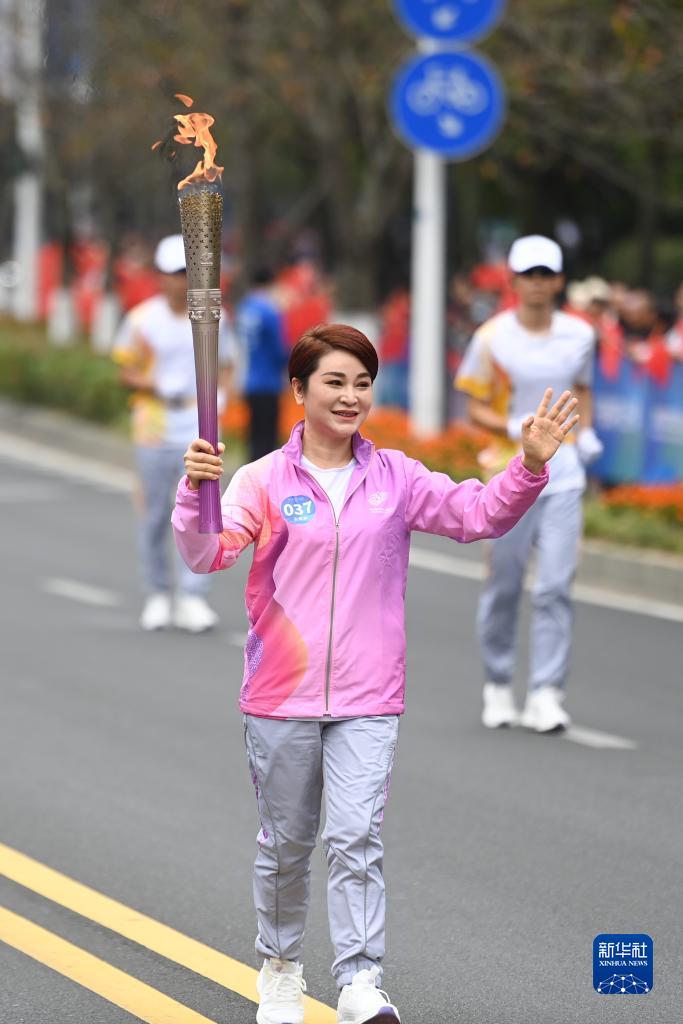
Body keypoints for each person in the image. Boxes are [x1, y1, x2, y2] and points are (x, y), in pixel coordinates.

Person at [172, 322, 578, 1024]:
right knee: (287, 845)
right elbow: (208, 554)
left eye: (362, 383)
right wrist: (194, 493)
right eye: (334, 381)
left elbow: (477, 515)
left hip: (368, 696)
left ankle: (360, 980)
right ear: (299, 390)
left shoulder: (396, 477)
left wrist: (528, 466)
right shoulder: (261, 480)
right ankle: (280, 969)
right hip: (281, 695)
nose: (350, 396)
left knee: (356, 838)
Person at [455, 234, 602, 733]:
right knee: (504, 584)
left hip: (565, 475)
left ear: (559, 281)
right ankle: (498, 683)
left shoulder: (580, 335)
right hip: (508, 474)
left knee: (555, 586)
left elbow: (582, 389)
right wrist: (515, 429)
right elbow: (473, 404)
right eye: (528, 275)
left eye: (545, 274)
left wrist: (586, 433)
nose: (537, 283)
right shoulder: (491, 338)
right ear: (513, 281)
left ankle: (546, 692)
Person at [112, 234, 236, 632]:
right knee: (154, 514)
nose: (181, 280)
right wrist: (156, 385)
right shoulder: (141, 320)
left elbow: (228, 363)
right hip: (154, 426)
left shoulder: (212, 315)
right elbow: (124, 370)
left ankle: (193, 596)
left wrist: (222, 399)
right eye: (174, 273)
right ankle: (158, 594)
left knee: (204, 513)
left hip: (200, 428)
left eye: (187, 273)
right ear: (160, 276)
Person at [236, 267, 290, 461]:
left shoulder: (244, 307)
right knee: (268, 438)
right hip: (268, 381)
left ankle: (250, 472)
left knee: (253, 434)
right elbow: (279, 350)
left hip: (248, 379)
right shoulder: (270, 311)